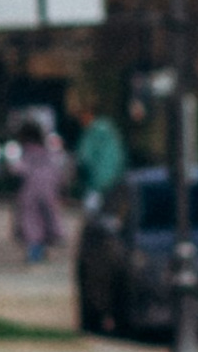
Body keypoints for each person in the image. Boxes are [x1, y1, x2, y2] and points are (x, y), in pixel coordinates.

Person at [13, 108, 71, 262]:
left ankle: (34, 253)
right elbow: (59, 173)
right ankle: (42, 249)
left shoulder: (27, 152)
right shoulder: (48, 153)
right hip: (49, 191)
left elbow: (19, 169)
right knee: (47, 220)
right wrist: (62, 190)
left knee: (31, 222)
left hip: (30, 193)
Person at [73, 103, 125, 208]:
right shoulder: (110, 129)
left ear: (89, 115)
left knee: (91, 210)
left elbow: (83, 157)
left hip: (96, 181)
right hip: (115, 179)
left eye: (81, 117)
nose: (80, 121)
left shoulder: (92, 132)